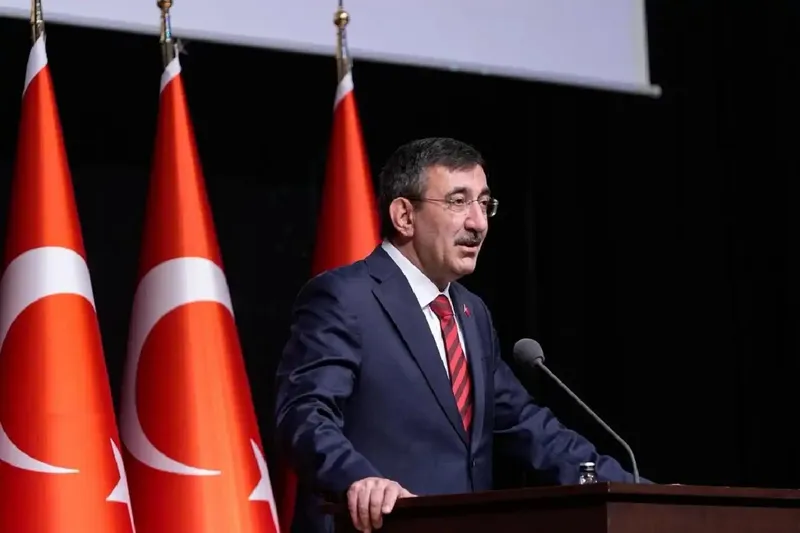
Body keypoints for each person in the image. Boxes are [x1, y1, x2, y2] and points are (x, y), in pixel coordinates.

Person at [274, 137, 643, 533]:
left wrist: (636, 491)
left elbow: (531, 428)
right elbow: (303, 414)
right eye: (458, 201)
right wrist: (359, 479)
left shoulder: (471, 313)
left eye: (484, 203)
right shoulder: (346, 297)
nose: (478, 223)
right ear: (404, 216)